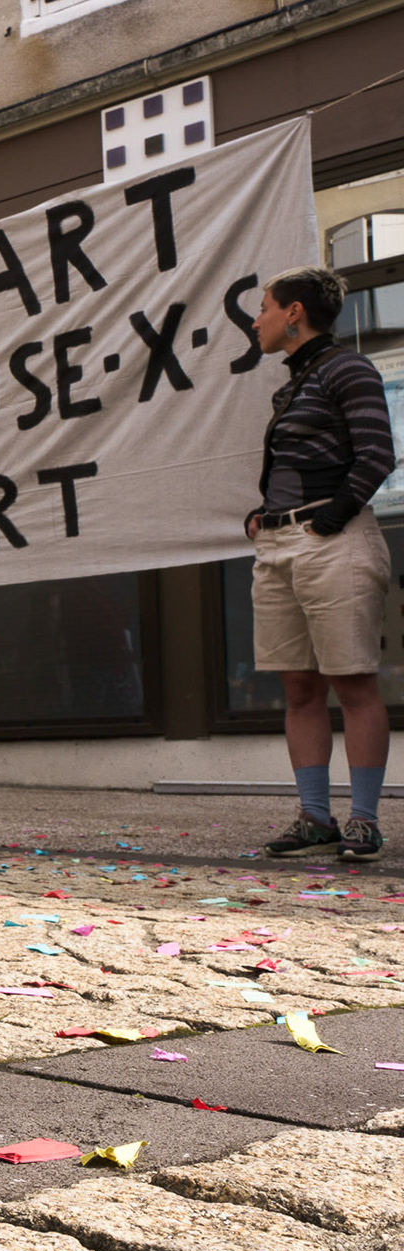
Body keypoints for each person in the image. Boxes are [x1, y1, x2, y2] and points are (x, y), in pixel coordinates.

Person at [244, 266, 397, 860]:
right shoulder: (295, 382)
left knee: (353, 682)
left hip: (330, 541)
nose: (255, 320)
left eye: (263, 307)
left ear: (294, 313)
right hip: (282, 545)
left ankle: (362, 820)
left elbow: (377, 453)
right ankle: (315, 817)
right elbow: (304, 462)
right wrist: (265, 513)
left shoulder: (347, 368)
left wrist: (328, 518)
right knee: (299, 687)